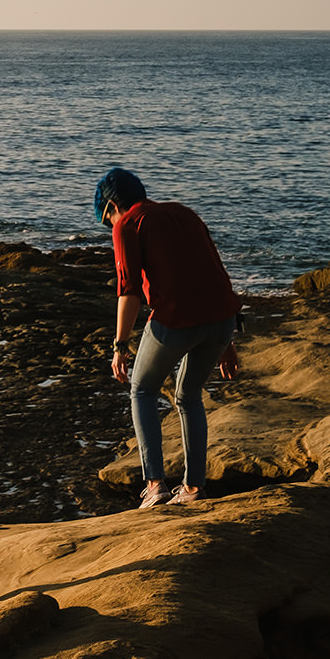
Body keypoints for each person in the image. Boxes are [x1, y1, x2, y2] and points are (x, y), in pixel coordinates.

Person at [93, 168, 242, 508]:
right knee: (188, 396)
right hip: (221, 320)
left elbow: (128, 291)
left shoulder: (127, 224)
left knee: (142, 390)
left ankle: (155, 486)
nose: (110, 227)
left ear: (113, 206)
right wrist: (227, 340)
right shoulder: (185, 213)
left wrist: (120, 346)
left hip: (176, 321)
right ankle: (193, 489)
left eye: (107, 220)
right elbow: (215, 271)